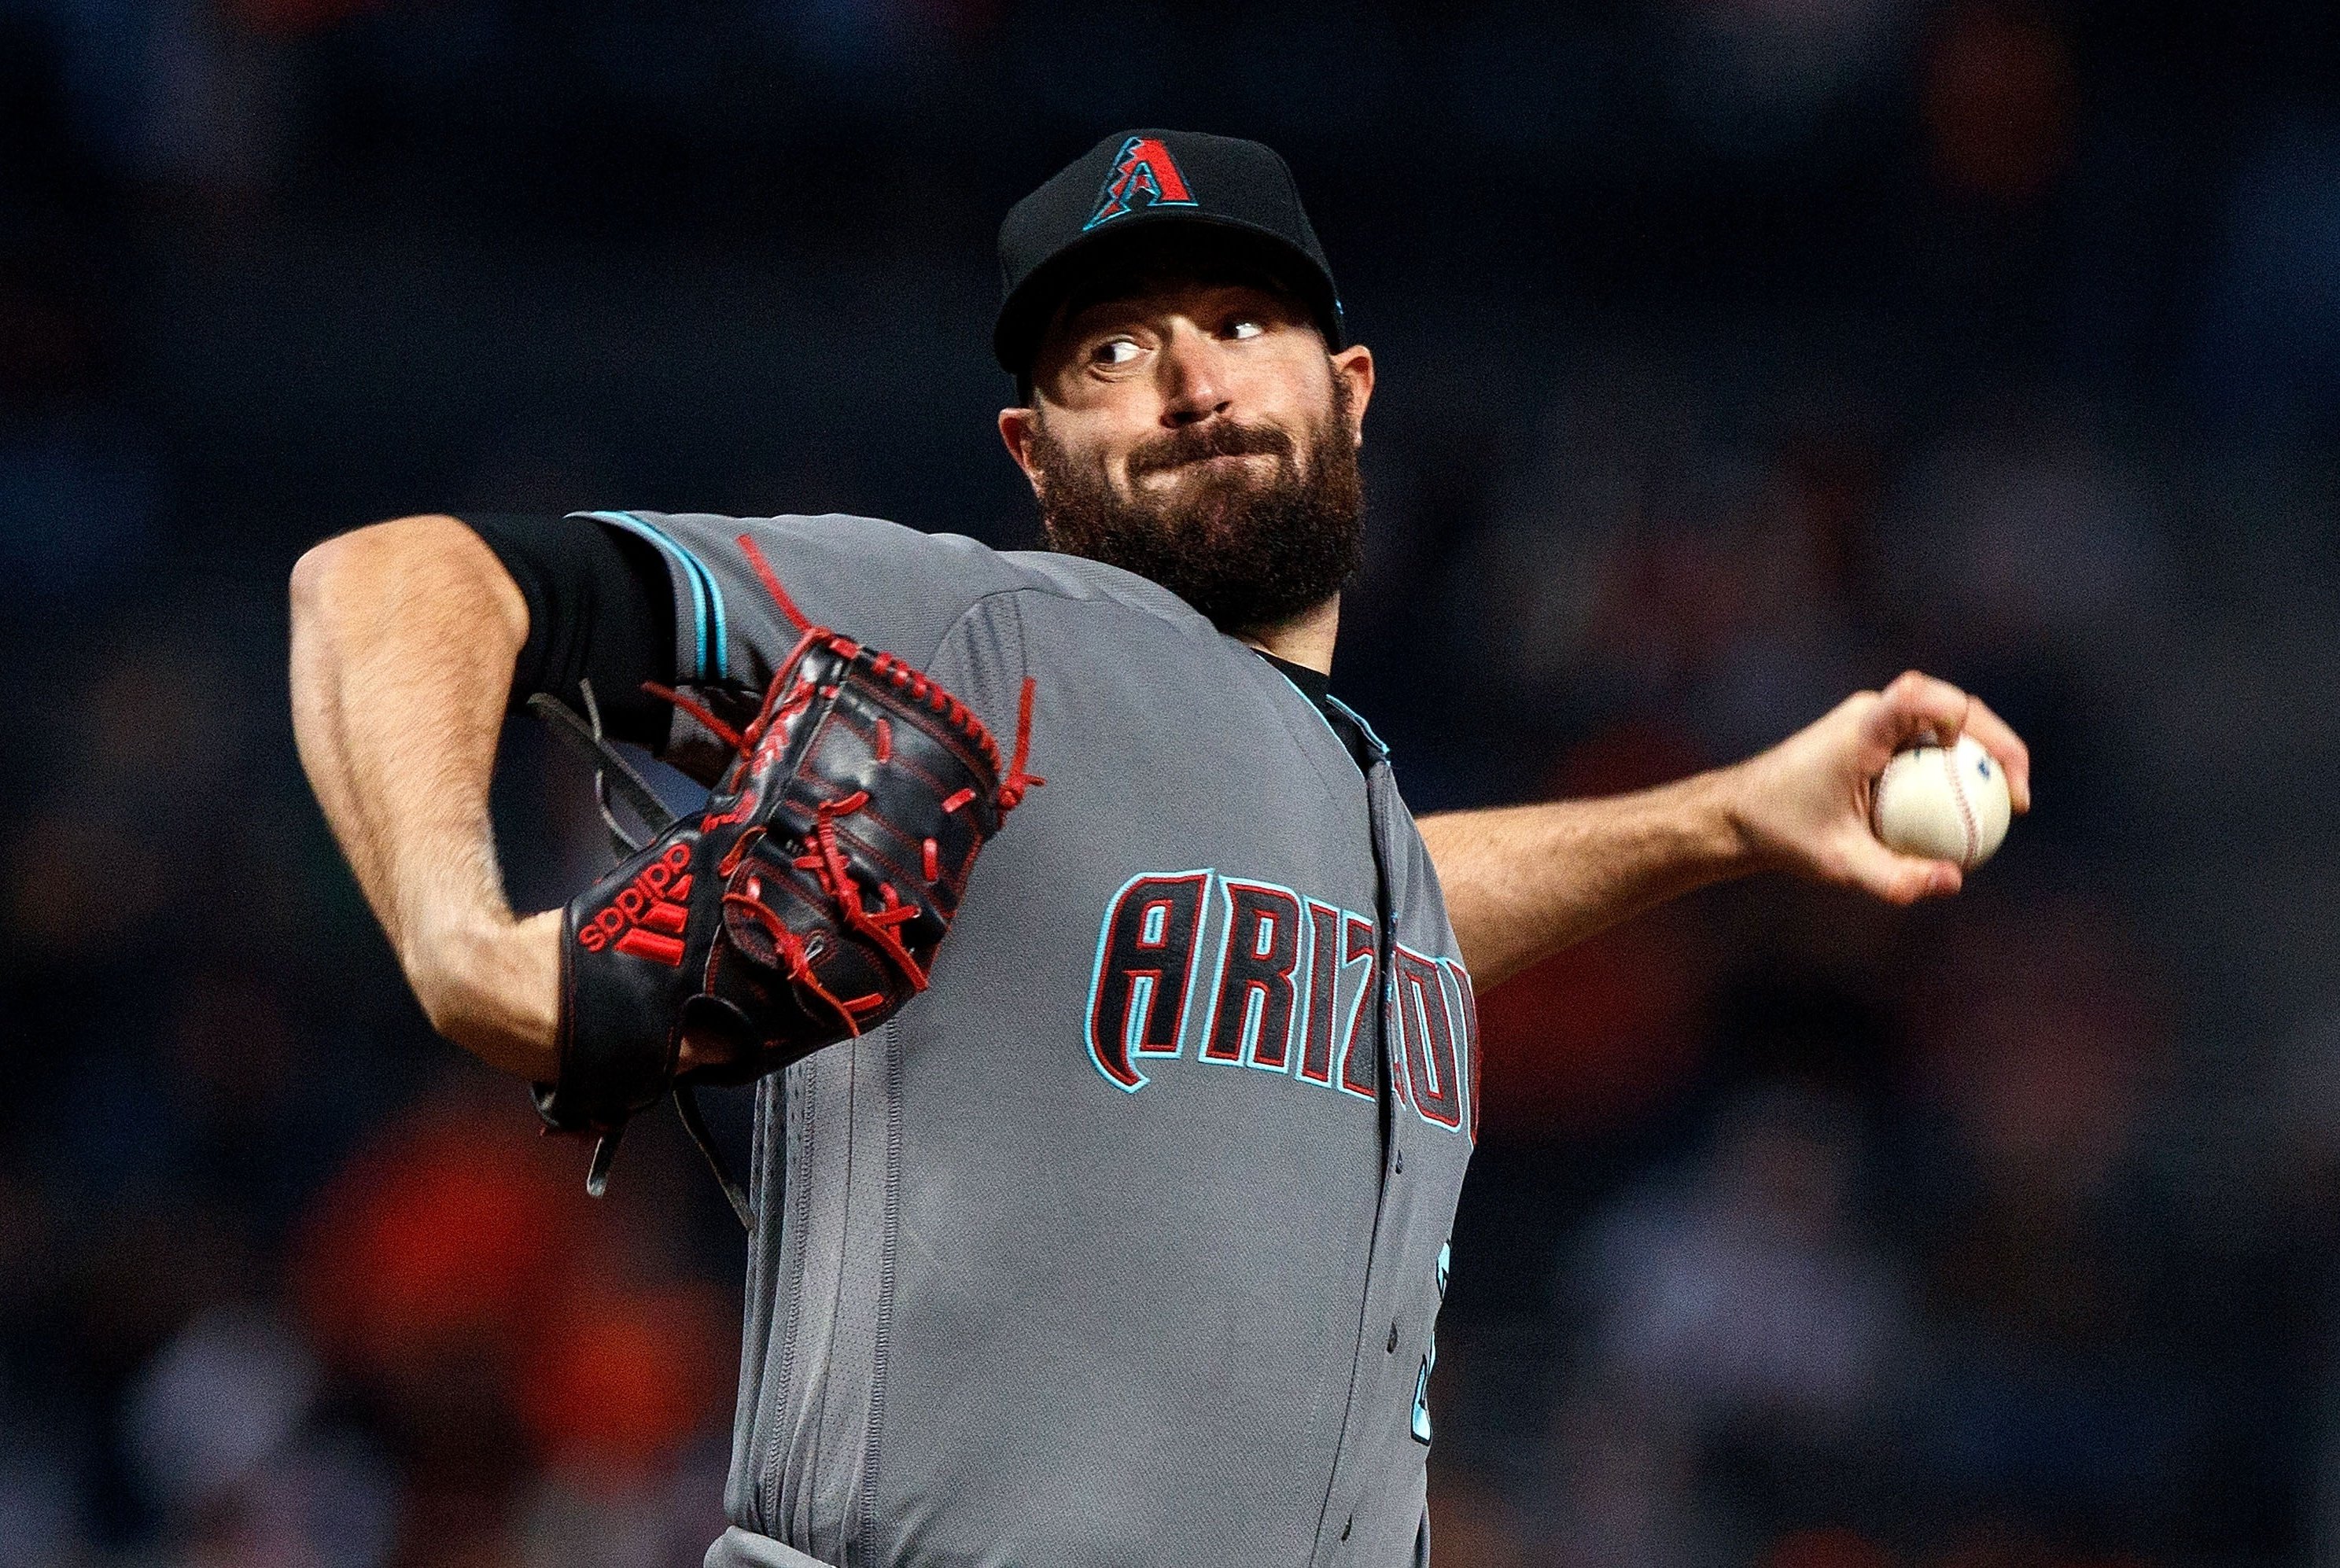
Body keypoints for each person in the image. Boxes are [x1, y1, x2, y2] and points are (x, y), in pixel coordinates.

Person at [287, 130, 2029, 1568]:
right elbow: (391, 583)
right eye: (1109, 352)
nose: (1188, 380)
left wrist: (1724, 819)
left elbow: (1385, 913)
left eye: (1237, 320)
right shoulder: (983, 628)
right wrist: (467, 945)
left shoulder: (1327, 810)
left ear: (1348, 388)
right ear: (1030, 454)